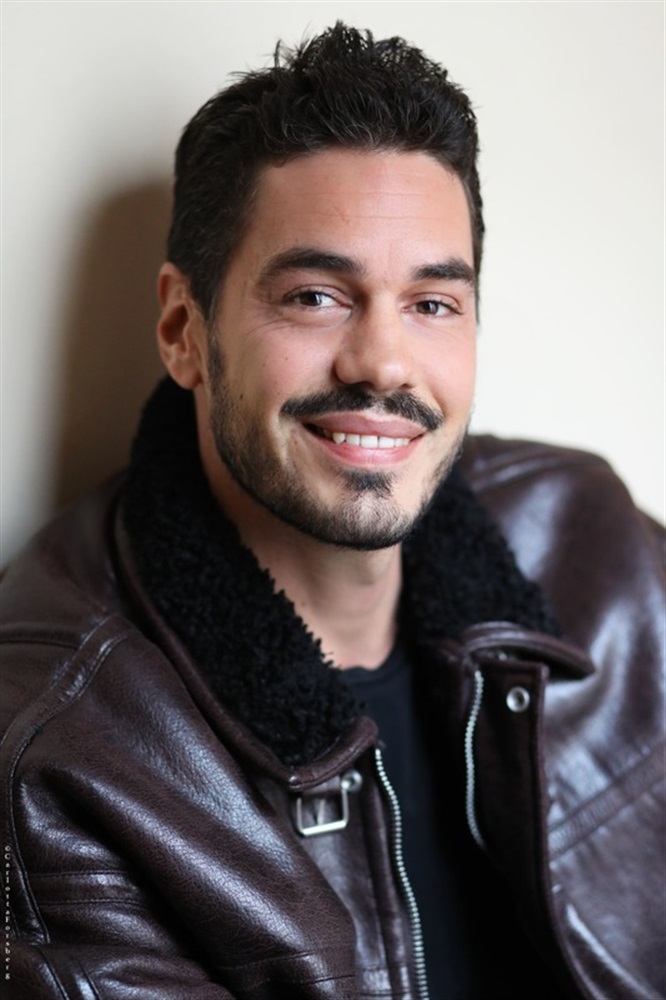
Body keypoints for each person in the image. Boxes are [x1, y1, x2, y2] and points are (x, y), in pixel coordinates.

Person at [1, 22, 663, 1000]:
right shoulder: (58, 751)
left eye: (432, 304)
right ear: (183, 329)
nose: (384, 363)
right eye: (316, 296)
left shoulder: (596, 539)